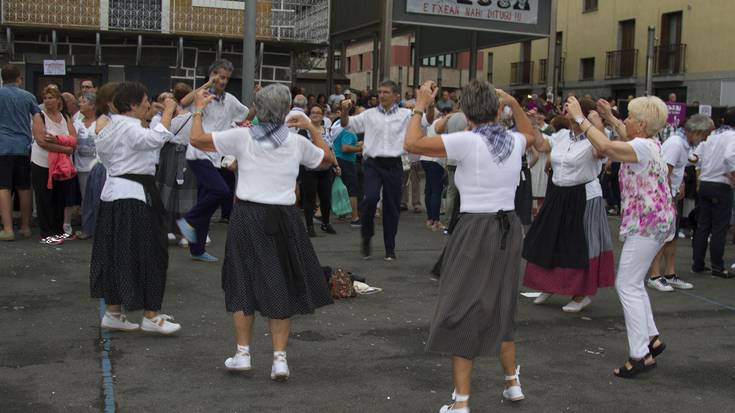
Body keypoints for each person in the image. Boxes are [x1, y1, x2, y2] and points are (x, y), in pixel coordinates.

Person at [405, 80, 535, 412]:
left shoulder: (467, 141)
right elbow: (537, 138)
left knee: (462, 307)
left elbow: (412, 143)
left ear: (466, 112)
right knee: (503, 304)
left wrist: (420, 104)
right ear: (496, 109)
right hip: (510, 227)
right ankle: (511, 383)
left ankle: (461, 402)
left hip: (477, 227)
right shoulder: (514, 141)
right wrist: (514, 104)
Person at [188, 84, 334, 380]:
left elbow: (196, 139)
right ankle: (279, 359)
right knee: (281, 282)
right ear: (286, 110)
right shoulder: (296, 142)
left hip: (248, 215)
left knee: (242, 281)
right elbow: (328, 161)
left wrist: (199, 109)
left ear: (259, 107)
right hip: (285, 216)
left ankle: (243, 354)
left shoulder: (242, 137)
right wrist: (310, 126)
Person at [568, 95, 674, 378]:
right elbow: (625, 135)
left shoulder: (639, 146)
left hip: (647, 223)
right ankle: (651, 337)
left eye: (628, 117)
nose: (624, 121)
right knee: (634, 283)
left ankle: (640, 355)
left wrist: (580, 117)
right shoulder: (650, 142)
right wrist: (611, 116)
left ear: (641, 123)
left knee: (626, 284)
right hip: (658, 221)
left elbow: (604, 146)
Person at [90, 81, 181, 334]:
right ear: (131, 105)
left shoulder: (111, 126)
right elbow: (155, 139)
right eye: (144, 102)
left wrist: (164, 114)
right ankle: (151, 314)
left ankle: (114, 312)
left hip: (114, 195)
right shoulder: (129, 127)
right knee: (150, 253)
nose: (147, 105)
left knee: (116, 253)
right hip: (134, 196)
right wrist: (168, 111)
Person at [522, 97, 615, 313]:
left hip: (583, 196)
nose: (570, 116)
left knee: (577, 245)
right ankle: (548, 284)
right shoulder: (563, 136)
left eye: (574, 113)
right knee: (549, 240)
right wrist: (534, 125)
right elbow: (543, 145)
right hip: (558, 193)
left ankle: (581, 294)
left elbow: (599, 152)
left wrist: (592, 121)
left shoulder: (597, 138)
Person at [340, 79, 433, 260]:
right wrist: (344, 111)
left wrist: (429, 105)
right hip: (373, 163)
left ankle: (390, 247)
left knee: (391, 207)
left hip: (394, 164)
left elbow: (427, 122)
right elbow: (346, 124)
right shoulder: (369, 114)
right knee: (370, 199)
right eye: (379, 92)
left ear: (396, 96)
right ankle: (367, 236)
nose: (381, 95)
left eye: (385, 92)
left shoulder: (407, 114)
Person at [177, 59, 249, 262]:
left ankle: (197, 250)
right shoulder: (202, 95)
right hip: (199, 153)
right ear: (212, 75)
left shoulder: (230, 100)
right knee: (221, 191)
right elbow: (183, 103)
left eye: (226, 78)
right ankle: (188, 221)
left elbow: (246, 115)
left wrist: (257, 100)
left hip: (216, 155)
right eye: (220, 76)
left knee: (206, 201)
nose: (223, 81)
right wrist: (208, 84)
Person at [646, 114, 713, 290]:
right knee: (662, 236)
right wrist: (668, 196)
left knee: (671, 236)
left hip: (671, 194)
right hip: (665, 196)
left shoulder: (682, 143)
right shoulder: (676, 143)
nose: (704, 140)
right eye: (704, 136)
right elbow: (664, 172)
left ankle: (669, 273)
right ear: (697, 132)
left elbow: (675, 169)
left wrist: (679, 184)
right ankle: (655, 275)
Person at [690, 108, 735, 278]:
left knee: (703, 226)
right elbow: (730, 157)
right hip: (721, 184)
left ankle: (698, 264)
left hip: (706, 183)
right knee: (719, 228)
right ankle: (717, 266)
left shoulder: (712, 136)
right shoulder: (732, 137)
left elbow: (694, 157)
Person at [154, 82, 198, 246]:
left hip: (170, 156)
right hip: (189, 156)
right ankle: (186, 234)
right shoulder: (194, 116)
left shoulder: (170, 118)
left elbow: (161, 136)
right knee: (187, 195)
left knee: (166, 193)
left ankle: (167, 230)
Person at [32, 86, 77, 244]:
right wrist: (65, 148)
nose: (47, 101)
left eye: (51, 98)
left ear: (58, 100)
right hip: (42, 164)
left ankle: (58, 231)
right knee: (44, 198)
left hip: (62, 166)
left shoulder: (65, 116)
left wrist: (58, 141)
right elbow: (41, 141)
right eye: (45, 98)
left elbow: (74, 139)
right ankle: (46, 233)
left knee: (60, 198)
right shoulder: (39, 116)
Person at [0, 64, 39, 241]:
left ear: (2, 78)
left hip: (2, 146)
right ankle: (25, 226)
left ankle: (7, 229)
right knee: (24, 187)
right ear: (18, 78)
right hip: (23, 146)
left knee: (4, 187)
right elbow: (38, 120)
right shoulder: (28, 96)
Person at [79, 82, 117, 239]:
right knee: (96, 200)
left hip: (114, 166)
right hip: (103, 166)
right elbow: (100, 132)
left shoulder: (117, 118)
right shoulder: (104, 118)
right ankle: (95, 230)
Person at [298, 105, 338, 236]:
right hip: (309, 169)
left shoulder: (327, 130)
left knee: (326, 197)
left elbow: (331, 150)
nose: (315, 114)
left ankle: (325, 223)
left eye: (318, 113)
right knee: (309, 198)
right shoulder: (303, 131)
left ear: (322, 116)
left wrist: (336, 165)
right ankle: (309, 226)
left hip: (326, 169)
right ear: (309, 115)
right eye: (313, 112)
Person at [72, 91, 98, 239]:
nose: (79, 104)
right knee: (85, 198)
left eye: (83, 102)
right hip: (82, 168)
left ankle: (100, 228)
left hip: (98, 167)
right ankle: (87, 228)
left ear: (92, 105)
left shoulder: (101, 121)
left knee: (99, 197)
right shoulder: (76, 122)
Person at [330, 115, 362, 227]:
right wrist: (361, 148)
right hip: (346, 161)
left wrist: (356, 145)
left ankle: (340, 213)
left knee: (339, 187)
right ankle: (355, 217)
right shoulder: (348, 130)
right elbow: (345, 148)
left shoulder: (339, 129)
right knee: (352, 188)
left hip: (338, 160)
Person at [421, 115, 448, 231]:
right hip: (435, 160)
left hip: (425, 158)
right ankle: (436, 221)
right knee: (436, 191)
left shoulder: (430, 123)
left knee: (429, 189)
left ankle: (430, 219)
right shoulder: (442, 124)